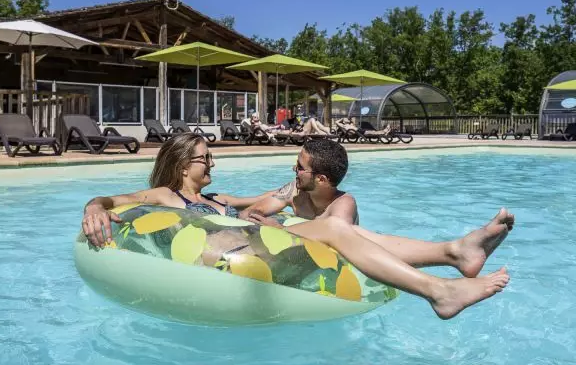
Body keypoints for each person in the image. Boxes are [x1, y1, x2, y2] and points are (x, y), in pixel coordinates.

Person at [82, 134, 512, 319]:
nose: (212, 162)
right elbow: (112, 200)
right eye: (204, 157)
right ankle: (440, 286)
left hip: (256, 244)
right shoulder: (165, 196)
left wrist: (275, 204)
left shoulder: (218, 198)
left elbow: (268, 197)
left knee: (351, 232)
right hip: (232, 252)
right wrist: (93, 207)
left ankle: (455, 253)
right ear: (181, 164)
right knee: (336, 230)